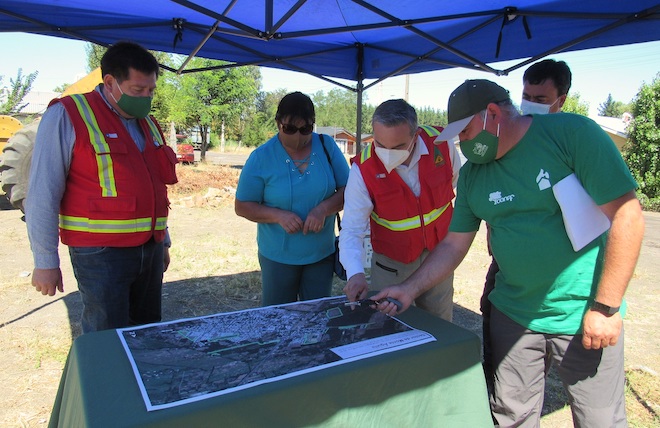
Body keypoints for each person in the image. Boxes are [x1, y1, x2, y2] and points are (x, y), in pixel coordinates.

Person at [371, 79, 644, 427]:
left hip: (582, 312)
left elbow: (627, 216)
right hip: (514, 314)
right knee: (511, 416)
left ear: (493, 115)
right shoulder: (473, 176)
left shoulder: (572, 135)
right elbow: (455, 244)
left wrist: (605, 307)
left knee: (599, 420)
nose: (463, 143)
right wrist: (409, 289)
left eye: (466, 132)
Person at [26, 41, 178, 333]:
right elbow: (43, 192)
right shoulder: (68, 114)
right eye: (138, 90)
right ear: (110, 82)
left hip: (150, 248)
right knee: (105, 335)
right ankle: (105, 380)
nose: (146, 98)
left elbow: (154, 187)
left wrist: (163, 242)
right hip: (101, 253)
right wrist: (45, 261)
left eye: (151, 90)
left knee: (145, 333)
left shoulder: (148, 123)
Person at [481, 59, 573, 389]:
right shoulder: (506, 138)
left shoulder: (572, 141)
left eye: (540, 98)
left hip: (564, 285)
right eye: (526, 95)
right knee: (501, 369)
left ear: (561, 101)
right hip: (506, 275)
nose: (529, 103)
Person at [340, 99, 461, 321]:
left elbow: (453, 181)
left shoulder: (442, 145)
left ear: (415, 137)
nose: (386, 154)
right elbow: (352, 228)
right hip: (391, 265)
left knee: (439, 322)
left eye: (396, 147)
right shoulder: (363, 169)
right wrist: (355, 273)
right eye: (379, 144)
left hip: (438, 256)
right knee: (388, 325)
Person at [235, 91, 349, 306]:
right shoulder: (261, 157)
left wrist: (323, 209)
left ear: (313, 124)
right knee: (277, 318)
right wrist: (277, 215)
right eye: (289, 129)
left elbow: (349, 190)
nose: (298, 136)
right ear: (278, 123)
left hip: (321, 253)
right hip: (278, 255)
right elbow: (242, 206)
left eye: (305, 129)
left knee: (317, 315)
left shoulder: (327, 147)